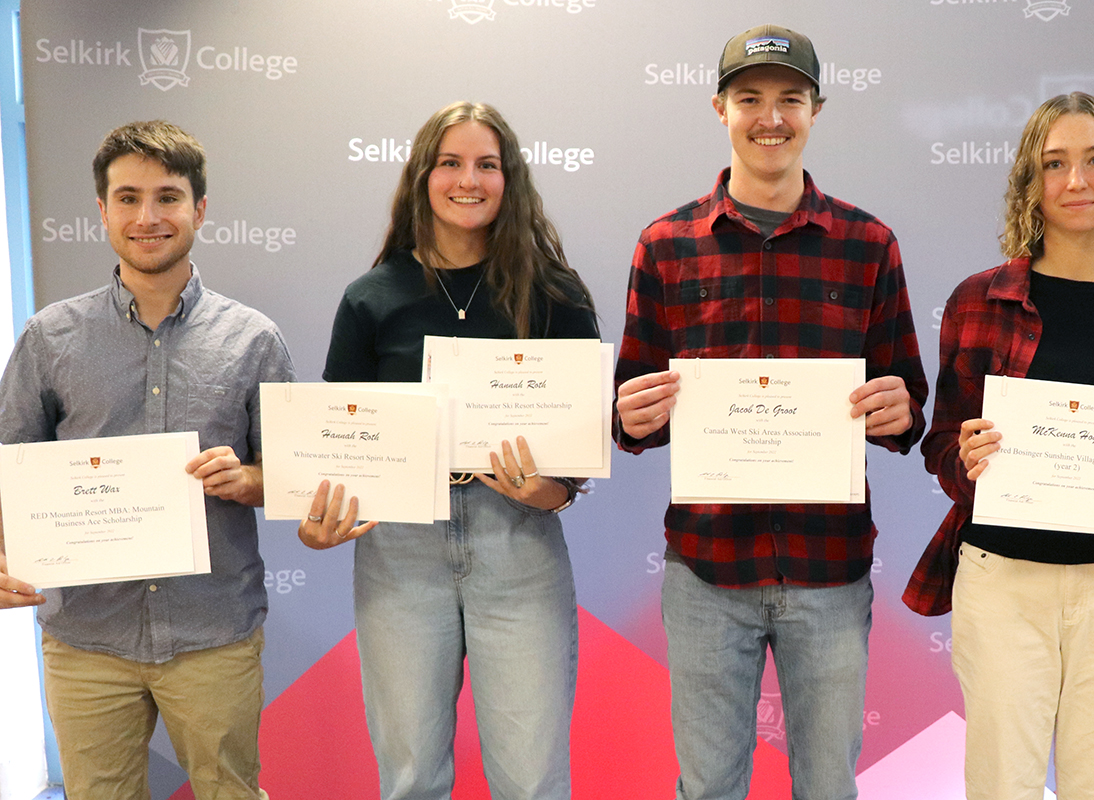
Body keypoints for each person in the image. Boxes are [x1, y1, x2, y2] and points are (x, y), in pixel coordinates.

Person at [614, 25, 928, 800]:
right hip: (707, 571)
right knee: (708, 786)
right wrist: (631, 413)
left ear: (816, 110)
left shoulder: (868, 244)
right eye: (750, 99)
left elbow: (909, 401)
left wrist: (899, 409)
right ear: (719, 107)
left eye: (790, 99)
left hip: (829, 568)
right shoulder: (664, 245)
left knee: (827, 787)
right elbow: (629, 417)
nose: (771, 118)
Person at [904, 92, 1094, 800]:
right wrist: (963, 457)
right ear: (1030, 182)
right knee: (1001, 787)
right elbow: (943, 438)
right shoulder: (978, 299)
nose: (1076, 182)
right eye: (1055, 164)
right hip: (1002, 582)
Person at [299, 101, 599, 800]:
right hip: (401, 549)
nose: (469, 180)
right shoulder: (371, 298)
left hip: (518, 542)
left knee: (532, 778)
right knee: (410, 776)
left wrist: (547, 491)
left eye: (487, 165)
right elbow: (338, 440)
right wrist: (320, 524)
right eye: (451, 163)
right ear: (422, 178)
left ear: (509, 178)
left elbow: (576, 449)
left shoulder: (555, 293)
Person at [0, 120, 296, 799]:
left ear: (199, 209)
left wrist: (251, 480)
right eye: (128, 197)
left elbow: (290, 478)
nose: (148, 216)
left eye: (167, 196)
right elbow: (9, 466)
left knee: (231, 791)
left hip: (213, 630)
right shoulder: (49, 337)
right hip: (86, 637)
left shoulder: (255, 339)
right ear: (102, 211)